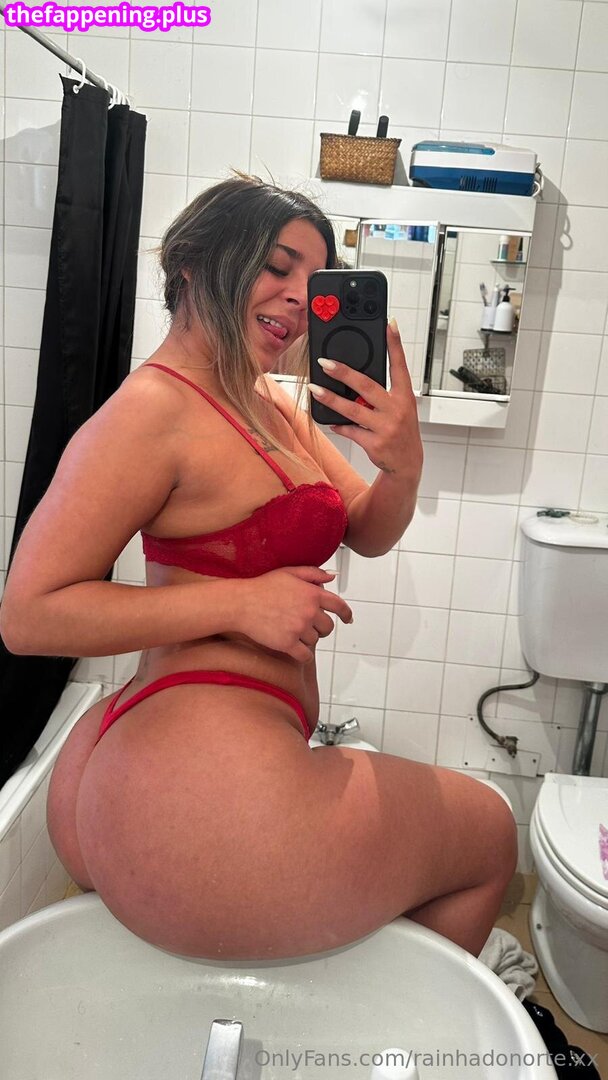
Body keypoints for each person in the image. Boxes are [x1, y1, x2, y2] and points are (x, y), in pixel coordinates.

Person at [0, 174, 517, 961]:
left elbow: (368, 531)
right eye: (277, 267)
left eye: (313, 282)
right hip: (195, 784)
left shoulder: (267, 401)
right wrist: (239, 604)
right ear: (196, 265)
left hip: (178, 767)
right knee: (489, 837)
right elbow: (28, 615)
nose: (298, 299)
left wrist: (404, 467)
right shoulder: (151, 410)